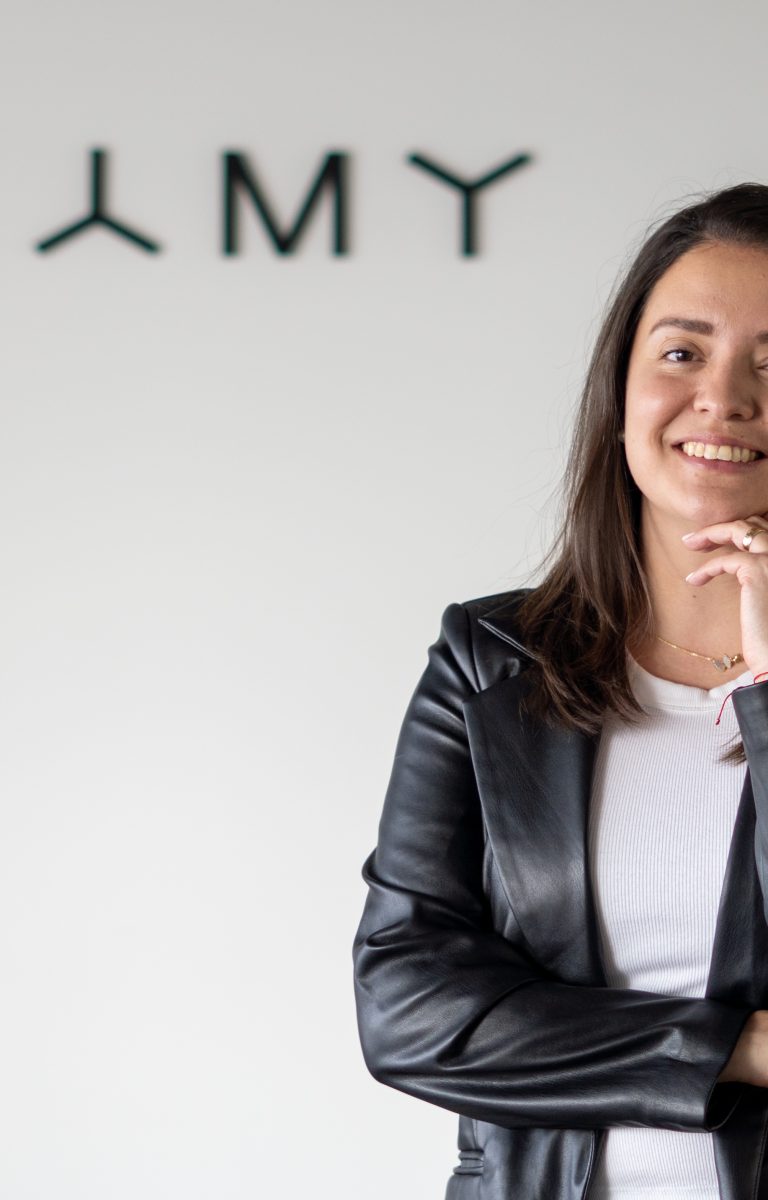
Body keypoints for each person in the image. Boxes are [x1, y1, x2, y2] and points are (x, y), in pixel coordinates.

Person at [352, 183, 768, 1200]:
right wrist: (742, 1050)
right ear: (621, 390)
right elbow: (405, 1009)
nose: (723, 397)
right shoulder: (491, 660)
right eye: (683, 352)